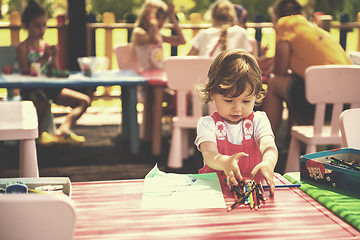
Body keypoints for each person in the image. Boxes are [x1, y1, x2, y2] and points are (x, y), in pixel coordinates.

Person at [262, 0, 353, 136]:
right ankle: (294, 142)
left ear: (276, 15)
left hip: (325, 104)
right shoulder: (313, 28)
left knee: (275, 83)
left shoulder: (285, 23)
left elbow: (279, 70)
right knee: (294, 84)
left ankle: (264, 143)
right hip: (349, 106)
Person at [195, 49, 278, 196]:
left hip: (252, 193)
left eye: (246, 101)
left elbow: (268, 145)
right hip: (214, 193)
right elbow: (209, 154)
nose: (237, 108)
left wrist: (268, 162)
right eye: (229, 100)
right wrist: (224, 162)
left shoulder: (259, 120)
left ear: (256, 95)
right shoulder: (207, 124)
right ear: (212, 93)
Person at [16, 0, 91, 145]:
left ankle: (63, 130)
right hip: (31, 89)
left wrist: (54, 58)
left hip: (50, 88)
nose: (42, 29)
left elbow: (54, 72)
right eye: (37, 25)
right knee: (42, 102)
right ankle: (39, 135)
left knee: (84, 101)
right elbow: (25, 71)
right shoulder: (23, 47)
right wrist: (44, 58)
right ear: (26, 25)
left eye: (44, 25)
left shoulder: (46, 46)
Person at [132, 0, 186, 70]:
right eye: (157, 17)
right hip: (148, 76)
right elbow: (155, 40)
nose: (161, 21)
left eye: (163, 18)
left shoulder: (159, 35)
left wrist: (172, 17)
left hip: (161, 74)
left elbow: (182, 41)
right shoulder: (138, 32)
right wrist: (151, 17)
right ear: (146, 16)